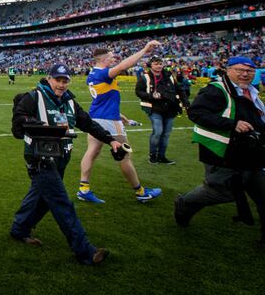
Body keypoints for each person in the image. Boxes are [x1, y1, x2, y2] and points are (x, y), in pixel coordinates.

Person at [10, 64, 121, 264]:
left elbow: (87, 123)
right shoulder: (33, 97)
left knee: (42, 198)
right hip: (40, 159)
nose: (61, 84)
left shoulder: (70, 102)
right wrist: (37, 126)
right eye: (58, 80)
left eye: (65, 81)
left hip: (61, 158)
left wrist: (111, 140)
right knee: (61, 203)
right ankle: (86, 252)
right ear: (49, 79)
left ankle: (19, 229)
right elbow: (18, 123)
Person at [175, 56, 265, 244]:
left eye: (249, 70)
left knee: (261, 191)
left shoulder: (251, 91)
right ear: (228, 70)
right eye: (240, 70)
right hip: (222, 152)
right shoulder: (216, 90)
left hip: (251, 151)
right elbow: (195, 112)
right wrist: (232, 124)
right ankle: (185, 203)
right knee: (221, 191)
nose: (245, 74)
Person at [76, 42, 163, 204]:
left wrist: (120, 114)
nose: (113, 59)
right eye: (110, 57)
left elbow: (103, 97)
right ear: (102, 60)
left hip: (95, 117)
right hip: (109, 120)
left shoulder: (93, 73)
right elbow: (125, 65)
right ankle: (140, 192)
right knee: (124, 156)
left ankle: (84, 189)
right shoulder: (104, 73)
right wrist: (144, 49)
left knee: (92, 151)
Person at [135, 55, 190, 164]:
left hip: (170, 108)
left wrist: (186, 103)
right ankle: (152, 156)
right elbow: (138, 91)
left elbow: (180, 89)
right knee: (158, 131)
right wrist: (151, 96)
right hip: (154, 108)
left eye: (160, 63)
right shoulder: (145, 77)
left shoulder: (169, 76)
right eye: (156, 64)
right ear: (151, 65)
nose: (159, 66)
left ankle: (161, 156)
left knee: (166, 134)